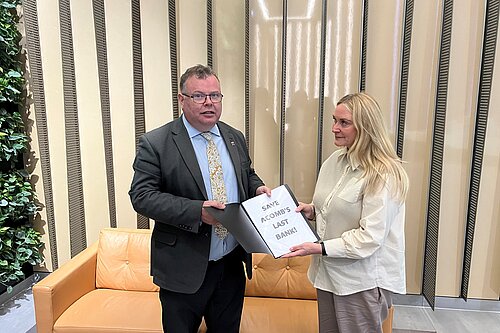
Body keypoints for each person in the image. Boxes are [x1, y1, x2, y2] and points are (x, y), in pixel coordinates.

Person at [129, 64, 271, 333]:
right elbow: (142, 196)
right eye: (199, 96)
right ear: (182, 99)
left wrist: (257, 189)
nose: (209, 103)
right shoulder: (156, 143)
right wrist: (197, 211)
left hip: (230, 264)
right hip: (182, 266)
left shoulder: (234, 137)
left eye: (215, 95)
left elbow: (247, 174)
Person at [282, 92, 409, 333]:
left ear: (365, 127)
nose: (334, 128)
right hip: (328, 276)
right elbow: (334, 207)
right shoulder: (334, 161)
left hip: (360, 282)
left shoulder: (383, 174)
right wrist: (313, 211)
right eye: (334, 120)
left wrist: (320, 247)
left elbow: (370, 238)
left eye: (344, 123)